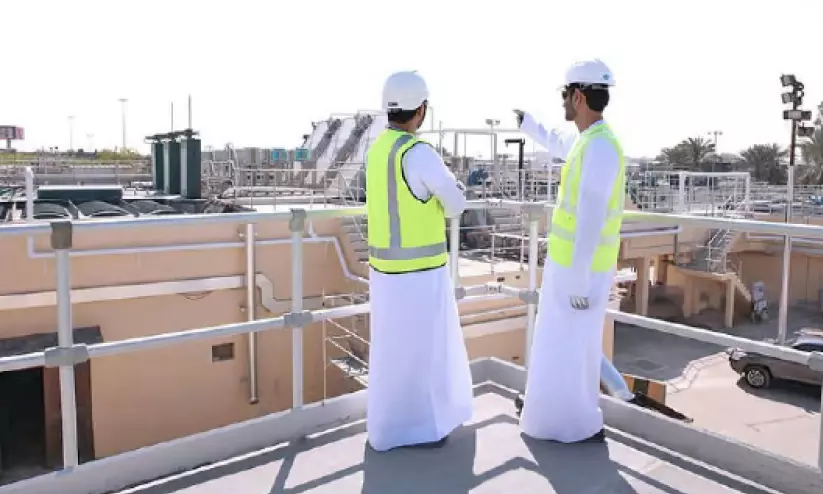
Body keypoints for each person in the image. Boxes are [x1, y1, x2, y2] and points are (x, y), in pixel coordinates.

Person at [516, 58, 627, 443]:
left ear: (578, 96)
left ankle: (572, 424)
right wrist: (529, 126)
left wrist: (579, 279)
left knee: (573, 348)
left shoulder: (600, 148)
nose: (563, 101)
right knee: (558, 345)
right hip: (572, 269)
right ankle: (548, 417)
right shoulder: (590, 142)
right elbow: (560, 143)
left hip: (581, 272)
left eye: (565, 95)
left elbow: (591, 219)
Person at [365, 70, 473, 451]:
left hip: (384, 274)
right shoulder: (419, 153)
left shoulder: (377, 151)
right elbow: (455, 204)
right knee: (426, 356)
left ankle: (389, 430)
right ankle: (424, 430)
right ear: (422, 110)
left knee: (393, 358)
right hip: (420, 275)